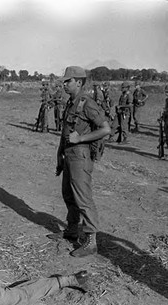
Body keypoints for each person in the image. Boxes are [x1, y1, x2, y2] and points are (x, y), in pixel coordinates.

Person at [51, 66, 111, 258]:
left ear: (79, 81)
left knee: (82, 198)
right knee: (68, 194)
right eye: (65, 81)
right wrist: (60, 155)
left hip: (80, 155)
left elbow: (105, 129)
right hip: (69, 155)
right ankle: (71, 230)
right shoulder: (71, 103)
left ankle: (91, 241)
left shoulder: (87, 103)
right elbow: (65, 132)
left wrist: (81, 139)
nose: (65, 84)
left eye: (68, 81)